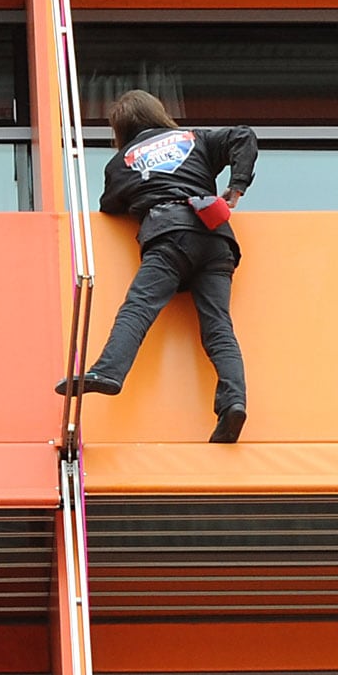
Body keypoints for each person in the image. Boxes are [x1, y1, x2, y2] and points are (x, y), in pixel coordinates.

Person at [58, 89, 257, 443]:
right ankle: (233, 402)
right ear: (158, 113)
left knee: (138, 308)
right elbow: (243, 136)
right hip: (216, 236)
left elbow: (110, 207)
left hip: (169, 235)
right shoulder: (194, 139)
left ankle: (108, 372)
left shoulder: (121, 163)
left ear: (120, 129)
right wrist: (236, 187)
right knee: (218, 328)